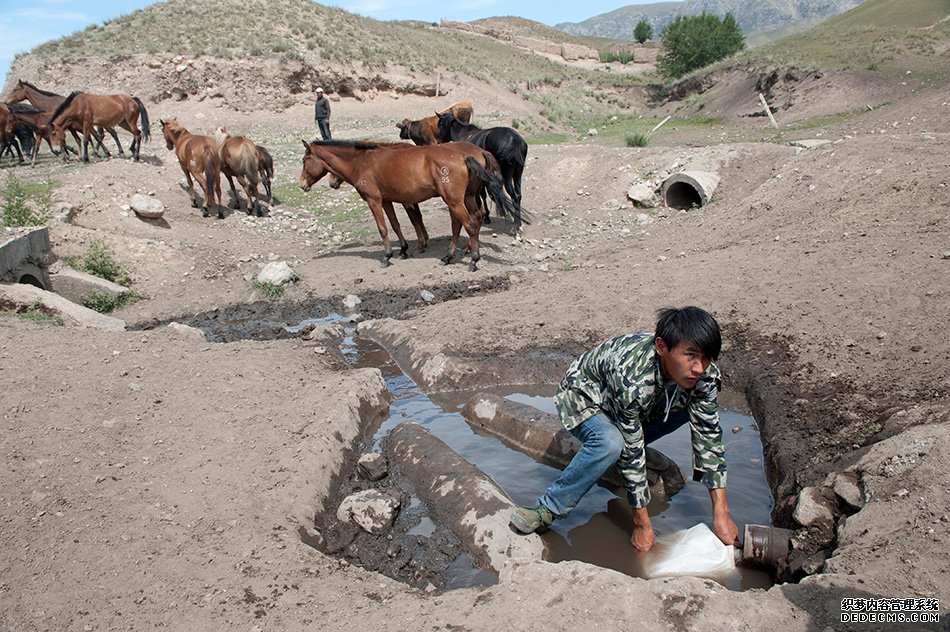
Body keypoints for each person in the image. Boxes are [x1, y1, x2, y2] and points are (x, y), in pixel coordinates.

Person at [509, 306, 739, 552]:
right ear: (662, 347)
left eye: (706, 358)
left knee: (690, 408)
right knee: (610, 443)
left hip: (631, 404)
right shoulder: (632, 377)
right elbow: (630, 450)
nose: (699, 368)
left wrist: (721, 512)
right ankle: (548, 508)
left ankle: (637, 446)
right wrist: (641, 523)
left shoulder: (704, 377)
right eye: (691, 355)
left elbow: (708, 436)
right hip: (585, 396)